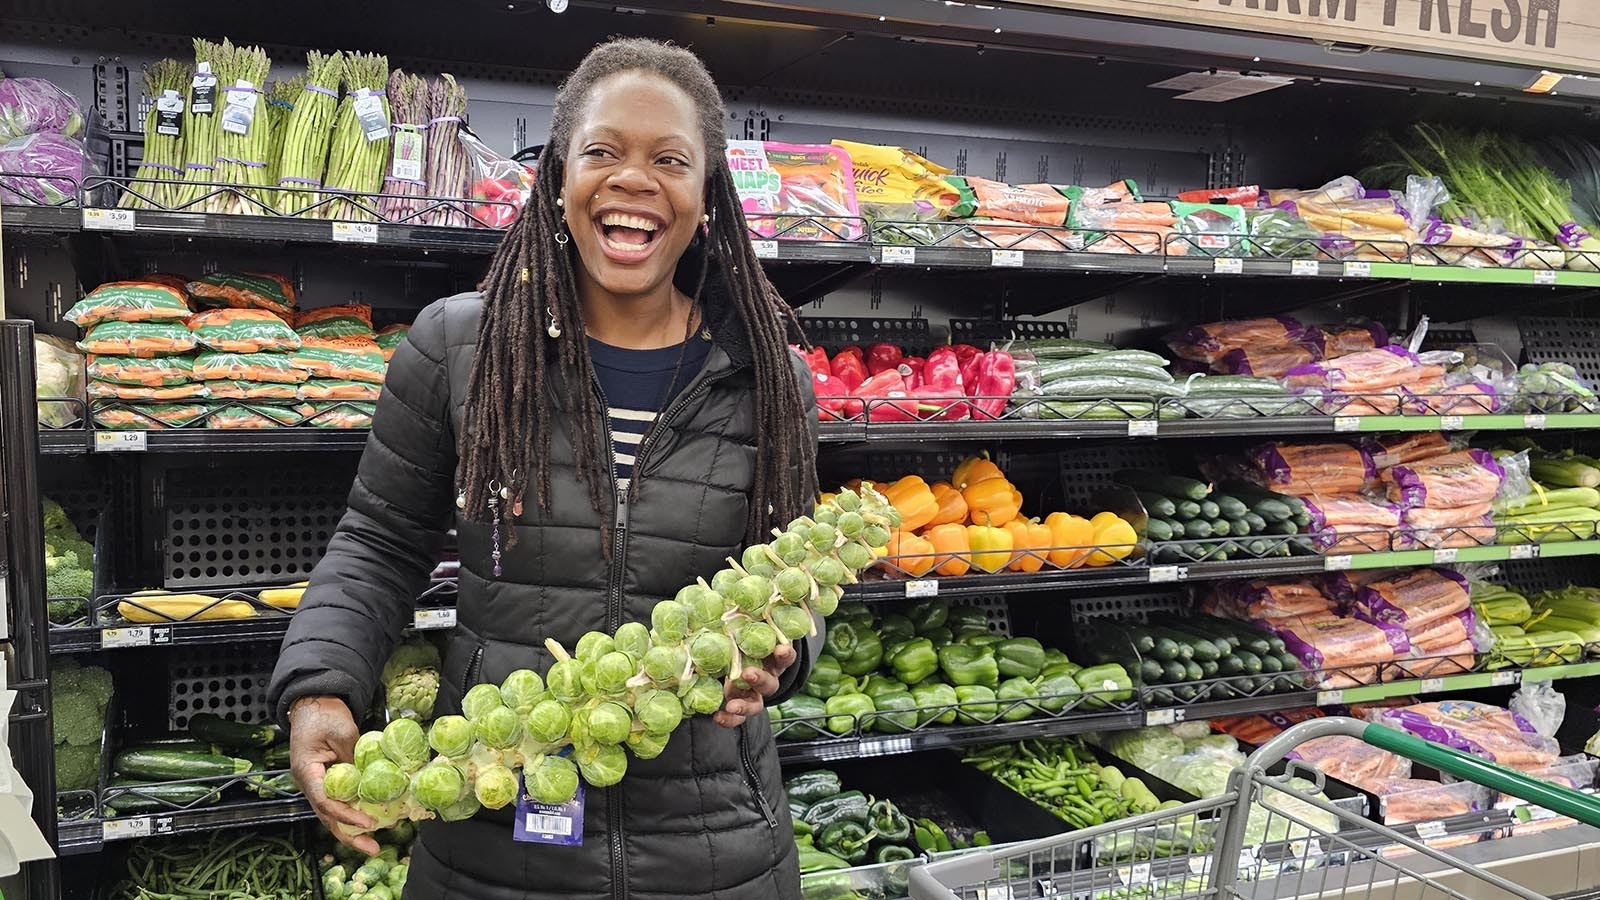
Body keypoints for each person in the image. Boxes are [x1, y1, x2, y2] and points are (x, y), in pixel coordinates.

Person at [268, 37, 820, 900]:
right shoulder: (461, 348)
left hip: (718, 845)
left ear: (707, 194)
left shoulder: (769, 378)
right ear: (559, 177)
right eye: (602, 151)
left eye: (670, 160)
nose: (633, 179)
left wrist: (784, 659)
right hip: (497, 843)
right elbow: (378, 541)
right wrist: (319, 687)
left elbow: (799, 574)